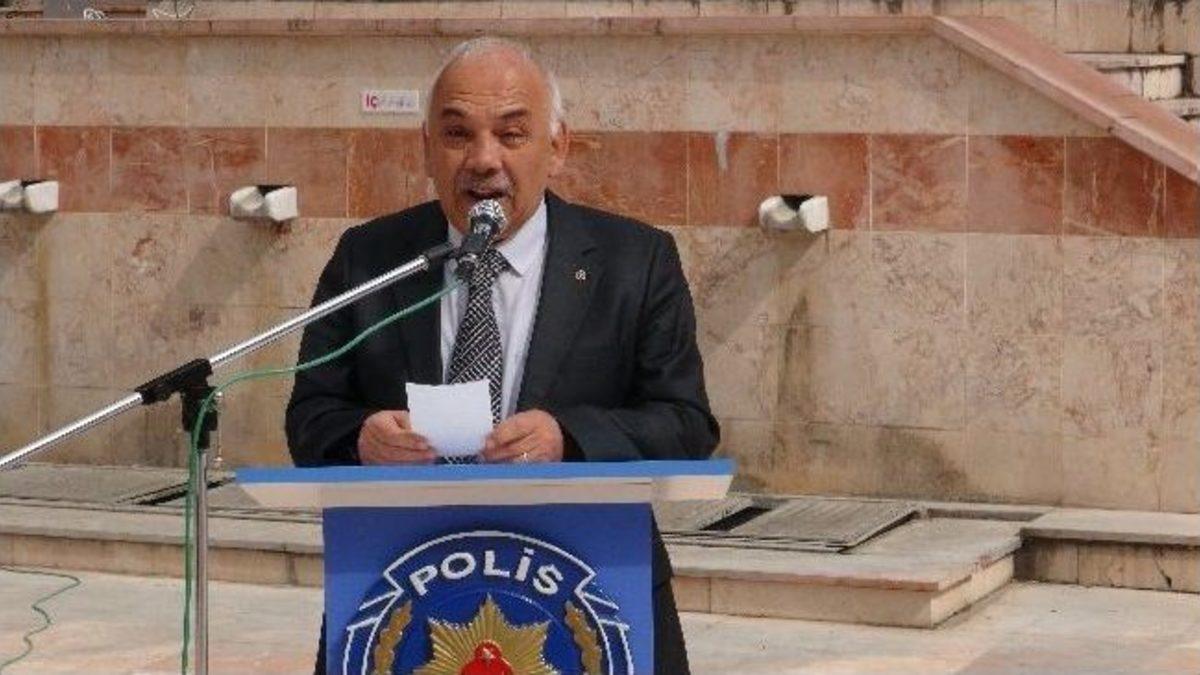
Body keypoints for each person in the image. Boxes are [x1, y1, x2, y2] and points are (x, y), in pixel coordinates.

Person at [285, 37, 719, 674]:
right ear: (425, 148)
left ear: (557, 146)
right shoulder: (372, 258)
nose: (483, 161)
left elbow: (686, 423)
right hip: (402, 595)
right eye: (457, 134)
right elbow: (310, 415)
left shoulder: (635, 261)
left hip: (593, 598)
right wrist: (361, 438)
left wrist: (568, 438)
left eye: (512, 135)